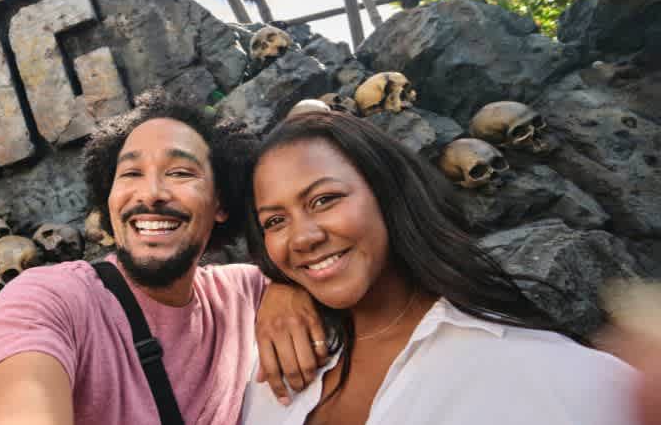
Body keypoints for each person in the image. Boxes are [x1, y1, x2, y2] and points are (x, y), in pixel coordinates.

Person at [241, 111, 638, 425]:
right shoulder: (267, 366)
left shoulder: (539, 370)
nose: (301, 237)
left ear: (387, 193)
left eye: (324, 199)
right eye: (275, 221)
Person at [0, 93, 325, 425]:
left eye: (180, 172)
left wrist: (286, 287)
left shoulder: (245, 292)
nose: (151, 194)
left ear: (220, 203)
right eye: (131, 173)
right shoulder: (48, 301)